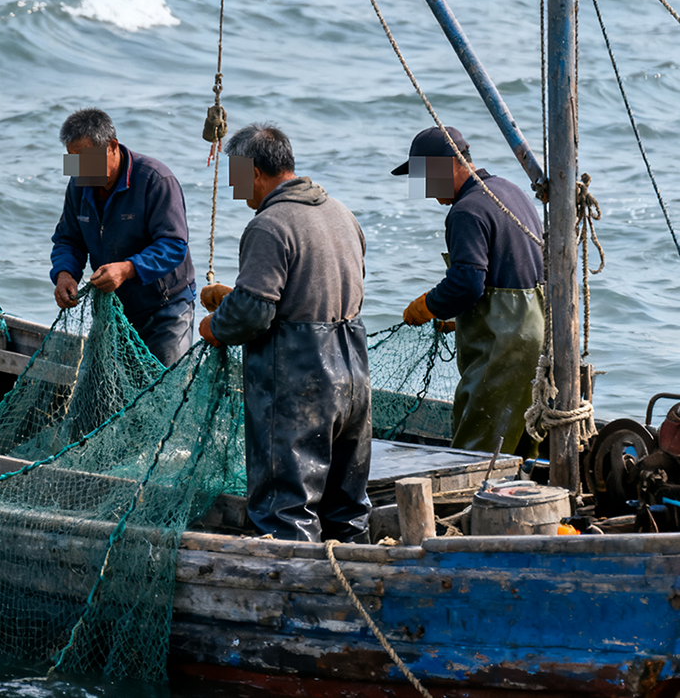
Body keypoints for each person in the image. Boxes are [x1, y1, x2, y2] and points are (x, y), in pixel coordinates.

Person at [201, 123, 371, 543]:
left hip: (300, 383)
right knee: (347, 508)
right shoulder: (341, 214)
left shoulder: (269, 225)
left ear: (255, 172)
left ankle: (295, 586)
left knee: (286, 511)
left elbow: (255, 313)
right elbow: (311, 290)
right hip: (353, 377)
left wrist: (215, 326)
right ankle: (360, 576)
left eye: (237, 178)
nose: (235, 189)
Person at [392, 126, 544, 455]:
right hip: (540, 341)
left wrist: (428, 306)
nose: (426, 191)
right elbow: (513, 274)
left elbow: (467, 283)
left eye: (425, 178)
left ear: (448, 165)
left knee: (475, 451)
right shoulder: (509, 191)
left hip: (505, 349)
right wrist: (459, 319)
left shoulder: (466, 210)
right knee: (527, 447)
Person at [49, 108, 195, 366]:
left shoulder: (156, 179)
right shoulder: (78, 183)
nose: (80, 169)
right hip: (114, 310)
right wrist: (64, 274)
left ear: (112, 147)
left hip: (166, 310)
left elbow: (174, 245)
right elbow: (68, 239)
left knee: (165, 386)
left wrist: (127, 269)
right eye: (73, 159)